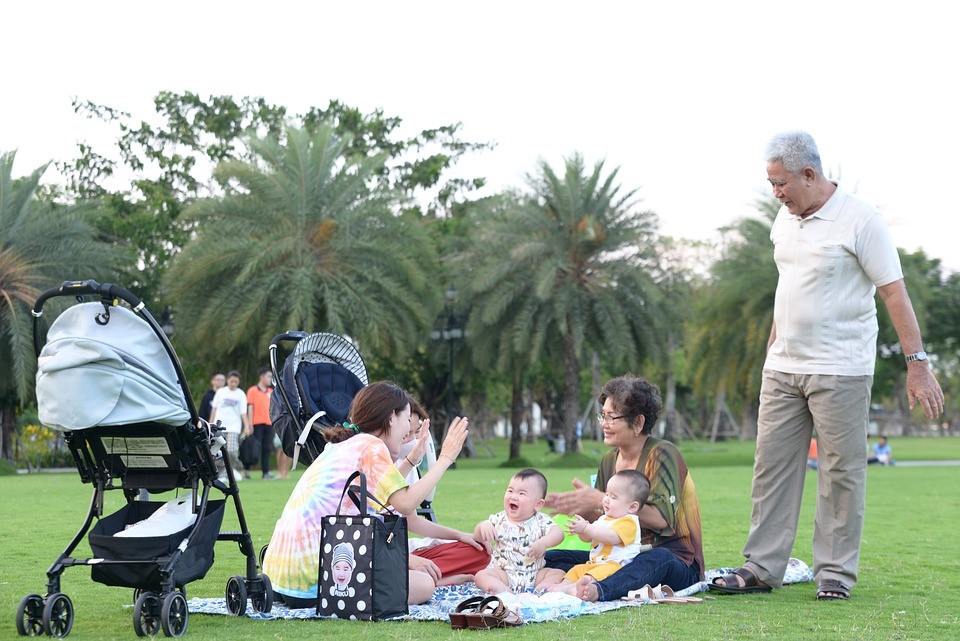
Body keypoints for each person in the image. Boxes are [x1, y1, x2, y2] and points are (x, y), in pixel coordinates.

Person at [711, 131, 944, 601]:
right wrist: (772, 350)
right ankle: (761, 567)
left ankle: (834, 574)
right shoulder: (785, 219)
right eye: (772, 184)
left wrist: (917, 364)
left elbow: (893, 292)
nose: (776, 192)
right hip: (782, 368)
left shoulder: (861, 221)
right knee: (770, 468)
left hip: (841, 367)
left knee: (840, 471)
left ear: (809, 174)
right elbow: (789, 288)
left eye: (780, 183)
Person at [261, 381, 473, 607]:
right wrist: (445, 459)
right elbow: (405, 504)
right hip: (320, 582)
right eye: (406, 419)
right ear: (391, 418)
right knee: (424, 584)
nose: (406, 432)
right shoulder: (372, 446)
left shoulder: (345, 444)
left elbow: (381, 500)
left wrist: (411, 461)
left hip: (281, 581)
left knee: (417, 577)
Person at [543, 375, 704, 602]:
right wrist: (579, 507)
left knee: (658, 559)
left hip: (676, 562)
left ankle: (598, 591)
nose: (603, 423)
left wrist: (598, 499)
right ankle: (556, 581)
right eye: (602, 415)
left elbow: (661, 520)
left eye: (611, 417)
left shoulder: (662, 454)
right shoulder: (609, 460)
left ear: (638, 422)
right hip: (618, 558)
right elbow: (602, 516)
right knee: (552, 557)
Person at [548, 469, 650, 597]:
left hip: (616, 567)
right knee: (577, 570)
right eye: (606, 494)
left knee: (594, 575)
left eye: (613, 497)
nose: (606, 500)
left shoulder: (629, 522)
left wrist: (587, 528)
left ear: (632, 507)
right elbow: (588, 538)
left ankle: (573, 589)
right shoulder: (604, 519)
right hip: (595, 564)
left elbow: (611, 537)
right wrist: (581, 530)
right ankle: (563, 586)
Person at [473, 468, 565, 593]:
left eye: (521, 494)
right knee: (480, 576)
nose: (513, 496)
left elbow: (558, 533)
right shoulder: (499, 519)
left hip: (535, 573)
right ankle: (505, 592)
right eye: (510, 491)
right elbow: (477, 537)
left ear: (538, 505)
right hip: (503, 574)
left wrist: (544, 543)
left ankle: (540, 591)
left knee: (558, 573)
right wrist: (483, 526)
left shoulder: (541, 520)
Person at [210, 370, 250, 479]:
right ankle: (224, 474)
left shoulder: (241, 394)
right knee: (220, 451)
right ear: (228, 380)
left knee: (232, 450)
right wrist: (210, 424)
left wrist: (247, 426)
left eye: (236, 382)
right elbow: (214, 409)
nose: (233, 384)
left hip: (234, 427)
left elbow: (243, 412)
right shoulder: (221, 392)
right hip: (219, 425)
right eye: (231, 381)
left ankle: (237, 467)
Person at [246, 367, 277, 480]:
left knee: (267, 448)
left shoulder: (271, 392)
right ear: (262, 377)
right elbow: (250, 408)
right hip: (256, 424)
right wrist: (249, 425)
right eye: (269, 376)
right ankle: (247, 470)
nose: (270, 379)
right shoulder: (252, 390)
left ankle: (266, 472)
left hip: (269, 424)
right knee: (253, 448)